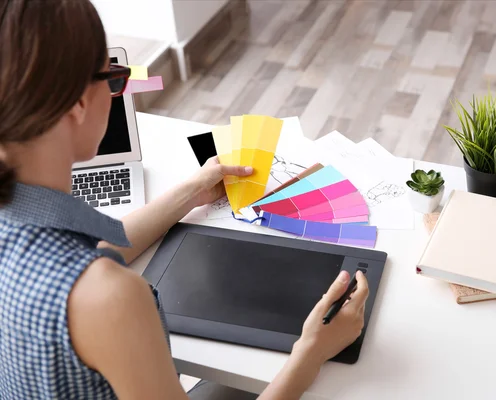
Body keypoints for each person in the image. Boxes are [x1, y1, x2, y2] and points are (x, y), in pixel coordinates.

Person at [0, 1, 369, 399]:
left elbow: (84, 255)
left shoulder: (33, 238)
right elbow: (93, 289)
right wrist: (310, 353)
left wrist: (190, 193)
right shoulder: (111, 300)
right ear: (77, 104)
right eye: (112, 78)